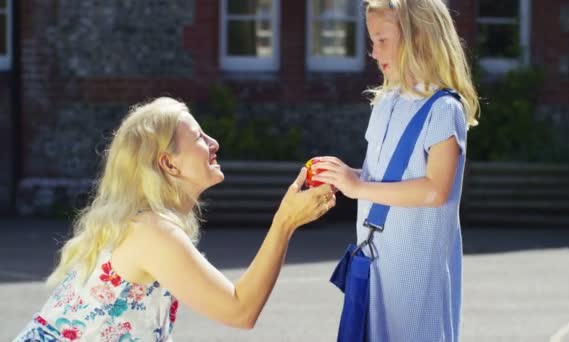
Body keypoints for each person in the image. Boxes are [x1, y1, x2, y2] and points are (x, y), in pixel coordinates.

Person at [14, 97, 336, 341]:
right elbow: (240, 311)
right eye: (198, 138)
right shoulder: (152, 231)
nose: (214, 143)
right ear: (168, 163)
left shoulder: (142, 223)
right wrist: (285, 222)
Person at [311, 0, 480, 341]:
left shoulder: (445, 109)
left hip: (416, 276)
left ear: (419, 38)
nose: (374, 52)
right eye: (372, 41)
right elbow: (383, 178)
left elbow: (435, 189)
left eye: (383, 40)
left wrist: (358, 187)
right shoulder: (387, 102)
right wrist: (345, 176)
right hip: (377, 266)